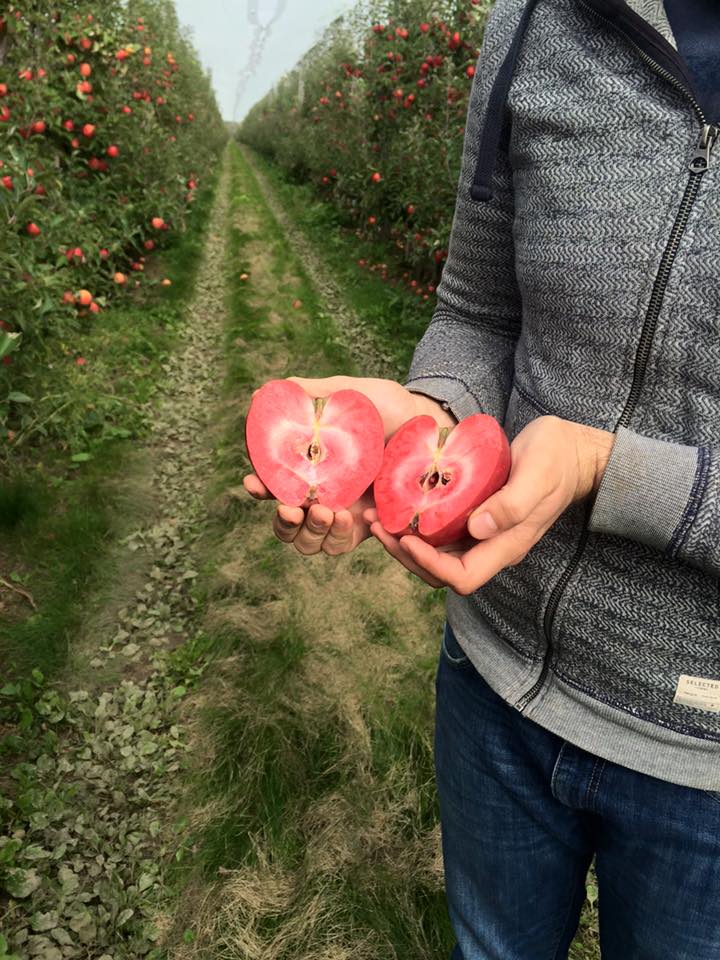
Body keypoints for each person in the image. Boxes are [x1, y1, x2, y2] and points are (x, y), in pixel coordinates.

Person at [244, 0, 720, 956]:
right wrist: (435, 430)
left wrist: (608, 469)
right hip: (493, 676)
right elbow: (477, 307)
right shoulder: (540, 19)